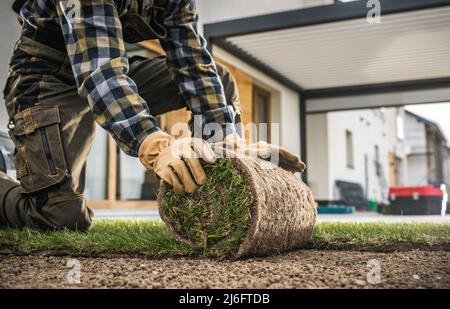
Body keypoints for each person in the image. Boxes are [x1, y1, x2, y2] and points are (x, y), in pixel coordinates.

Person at [0, 0, 305, 231]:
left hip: (109, 68)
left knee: (218, 79)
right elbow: (100, 71)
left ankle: (215, 177)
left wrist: (229, 142)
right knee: (60, 219)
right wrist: (155, 145)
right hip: (46, 80)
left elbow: (193, 64)